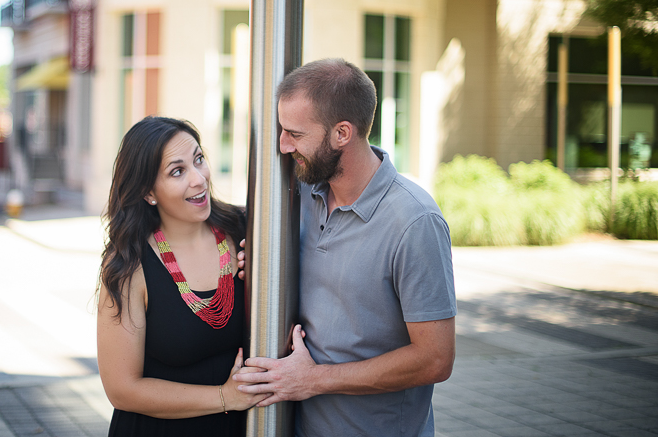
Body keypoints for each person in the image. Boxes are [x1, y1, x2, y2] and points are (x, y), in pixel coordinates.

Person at [234, 58, 457, 437]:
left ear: (342, 133)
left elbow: (435, 359)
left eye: (295, 134)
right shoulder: (299, 194)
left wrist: (314, 380)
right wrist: (258, 262)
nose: (283, 146)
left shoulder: (415, 222)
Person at [97, 116, 267, 436]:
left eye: (198, 159)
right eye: (178, 171)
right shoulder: (129, 265)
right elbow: (122, 388)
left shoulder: (245, 230)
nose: (199, 179)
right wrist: (225, 397)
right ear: (149, 192)